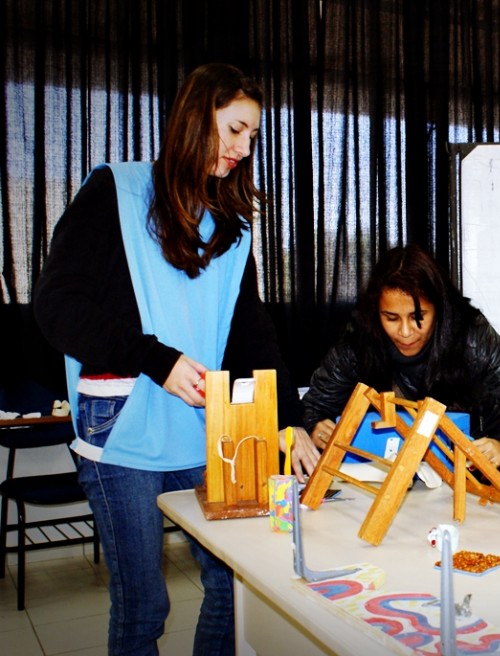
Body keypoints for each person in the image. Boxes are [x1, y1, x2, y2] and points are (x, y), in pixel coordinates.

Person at [33, 63, 312, 656]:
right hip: (123, 434)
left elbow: (251, 337)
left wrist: (289, 421)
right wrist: (154, 359)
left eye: (251, 138)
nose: (242, 148)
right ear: (194, 117)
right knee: (143, 608)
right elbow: (57, 307)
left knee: (232, 583)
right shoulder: (114, 190)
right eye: (234, 129)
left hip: (206, 431)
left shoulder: (231, 230)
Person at [301, 244, 500, 485]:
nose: (406, 332)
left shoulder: (471, 336)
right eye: (391, 318)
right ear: (376, 312)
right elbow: (313, 407)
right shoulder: (359, 342)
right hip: (383, 480)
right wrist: (315, 427)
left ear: (439, 309)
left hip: (475, 481)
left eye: (419, 317)